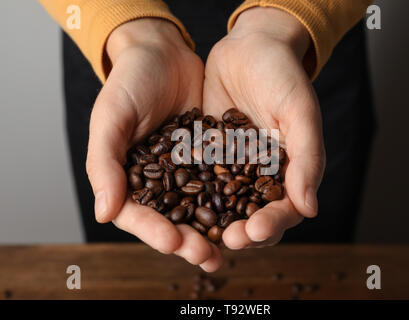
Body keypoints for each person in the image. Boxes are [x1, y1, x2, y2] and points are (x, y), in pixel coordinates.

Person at [40, 0, 375, 272]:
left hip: (301, 45)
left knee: (314, 264)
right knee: (124, 271)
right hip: (119, 50)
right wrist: (127, 30)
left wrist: (286, 19)